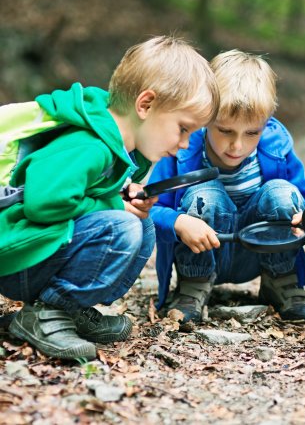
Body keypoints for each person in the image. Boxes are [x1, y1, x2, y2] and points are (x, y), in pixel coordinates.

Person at [0, 36, 219, 360]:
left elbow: (85, 195)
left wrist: (120, 195)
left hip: (40, 252)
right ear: (145, 105)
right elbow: (43, 203)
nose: (186, 143)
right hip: (19, 260)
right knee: (123, 227)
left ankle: (69, 309)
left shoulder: (114, 145)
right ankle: (45, 313)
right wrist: (114, 205)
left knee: (140, 225)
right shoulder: (89, 145)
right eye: (183, 128)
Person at [150, 49, 305, 324]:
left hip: (257, 251)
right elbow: (152, 211)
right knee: (205, 193)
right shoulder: (183, 151)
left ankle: (280, 281)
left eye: (252, 132)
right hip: (203, 250)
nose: (237, 145)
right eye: (225, 130)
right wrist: (179, 221)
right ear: (205, 118)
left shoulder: (276, 148)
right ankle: (194, 286)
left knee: (282, 192)